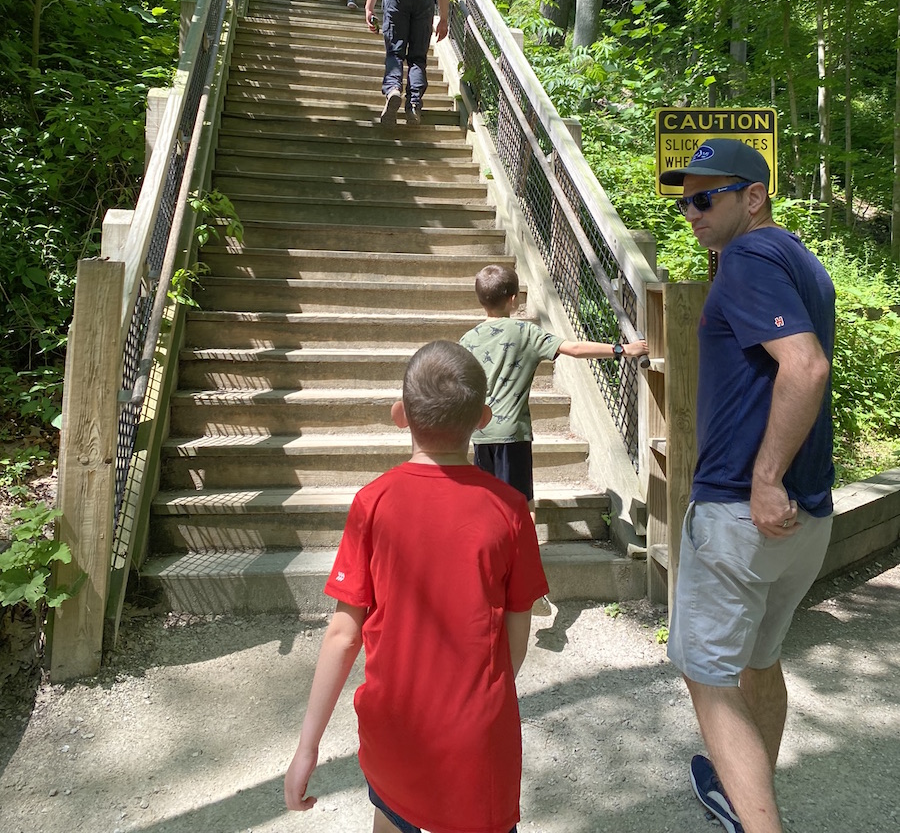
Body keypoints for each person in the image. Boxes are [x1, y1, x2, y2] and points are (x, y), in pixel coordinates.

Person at [283, 340, 548, 833]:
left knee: (391, 816)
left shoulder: (373, 502)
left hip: (394, 727)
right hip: (477, 735)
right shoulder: (509, 509)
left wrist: (307, 747)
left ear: (399, 414)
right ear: (484, 417)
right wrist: (487, 700)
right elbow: (518, 629)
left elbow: (343, 635)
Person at [658, 138, 835, 833]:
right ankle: (747, 793)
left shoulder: (750, 257)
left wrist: (763, 479)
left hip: (744, 509)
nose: (691, 211)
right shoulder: (801, 259)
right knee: (759, 660)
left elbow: (805, 367)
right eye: (685, 200)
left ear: (752, 196)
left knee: (706, 673)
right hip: (803, 514)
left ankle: (757, 822)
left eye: (706, 198)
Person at [460, 263, 647, 510]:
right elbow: (575, 349)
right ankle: (525, 549)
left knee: (489, 501)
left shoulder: (467, 339)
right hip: (513, 434)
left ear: (480, 299)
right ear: (514, 299)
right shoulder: (526, 332)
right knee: (522, 504)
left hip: (481, 433)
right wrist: (622, 349)